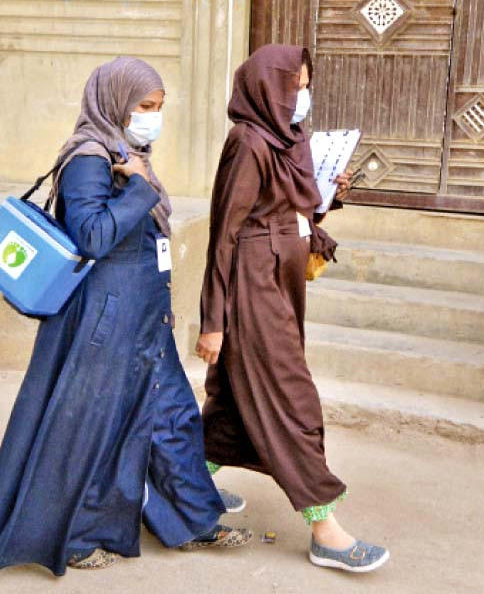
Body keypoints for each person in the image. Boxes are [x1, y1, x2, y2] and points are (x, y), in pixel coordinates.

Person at [0, 56, 251, 582]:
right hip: (107, 319)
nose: (152, 118)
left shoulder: (127, 151)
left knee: (173, 416)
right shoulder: (90, 158)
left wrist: (138, 179)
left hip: (143, 316)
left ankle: (194, 520)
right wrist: (137, 188)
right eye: (144, 107)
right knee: (91, 428)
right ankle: (74, 536)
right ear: (115, 101)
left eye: (159, 108)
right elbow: (91, 236)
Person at [195, 44, 390, 573]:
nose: (302, 95)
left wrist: (328, 196)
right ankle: (326, 530)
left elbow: (291, 207)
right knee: (292, 399)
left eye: (306, 84)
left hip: (283, 282)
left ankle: (175, 484)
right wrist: (214, 319)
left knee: (236, 404)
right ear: (267, 87)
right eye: (294, 85)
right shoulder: (248, 142)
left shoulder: (291, 140)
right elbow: (225, 234)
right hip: (253, 285)